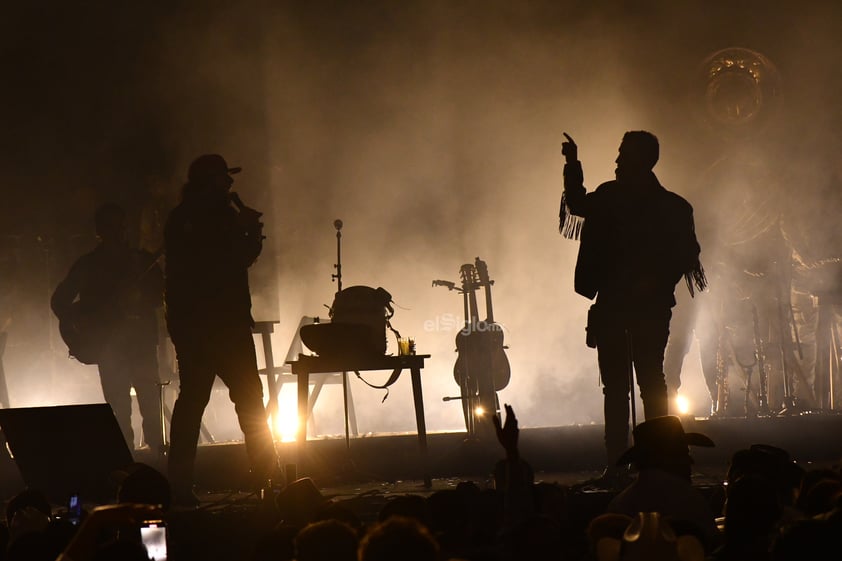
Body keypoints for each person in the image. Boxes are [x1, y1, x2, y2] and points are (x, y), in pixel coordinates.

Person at [559, 131, 706, 486]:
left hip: (626, 307)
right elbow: (686, 259)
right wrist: (572, 164)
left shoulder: (629, 200)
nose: (617, 160)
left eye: (623, 153)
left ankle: (625, 463)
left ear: (641, 159)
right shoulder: (673, 206)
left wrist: (573, 164)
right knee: (644, 384)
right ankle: (648, 460)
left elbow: (578, 204)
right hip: (638, 308)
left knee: (633, 386)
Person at [163, 154, 279, 506]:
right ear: (208, 181)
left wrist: (246, 231)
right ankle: (266, 479)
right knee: (240, 400)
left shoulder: (184, 217)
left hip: (206, 326)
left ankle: (185, 485)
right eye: (223, 179)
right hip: (216, 326)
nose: (230, 185)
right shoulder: (206, 219)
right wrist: (249, 231)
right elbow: (233, 259)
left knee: (207, 402)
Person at [51, 203, 164, 455]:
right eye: (112, 226)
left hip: (139, 342)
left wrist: (139, 297)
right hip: (110, 346)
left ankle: (156, 457)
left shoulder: (140, 261)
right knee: (119, 408)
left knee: (148, 404)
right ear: (101, 230)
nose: (118, 231)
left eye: (119, 226)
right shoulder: (89, 265)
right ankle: (128, 461)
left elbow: (159, 297)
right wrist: (86, 321)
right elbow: (60, 301)